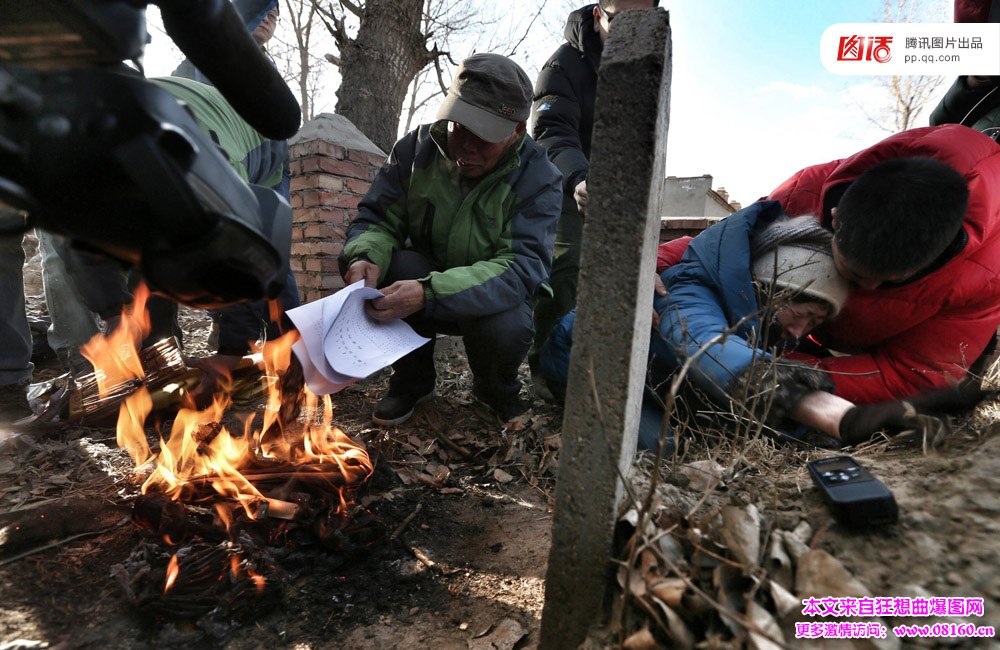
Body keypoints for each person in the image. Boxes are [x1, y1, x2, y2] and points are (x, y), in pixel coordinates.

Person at [658, 125, 1000, 404]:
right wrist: (647, 264)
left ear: (935, 260)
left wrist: (799, 376)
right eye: (854, 274)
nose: (865, 292)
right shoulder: (807, 190)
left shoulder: (986, 276)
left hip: (861, 364)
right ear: (834, 218)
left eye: (889, 282)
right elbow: (727, 246)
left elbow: (913, 375)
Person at [338, 53, 561, 426]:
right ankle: (412, 382)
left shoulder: (540, 178)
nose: (465, 147)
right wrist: (364, 256)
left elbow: (521, 268)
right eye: (459, 127)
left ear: (517, 131)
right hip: (421, 285)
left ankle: (494, 390)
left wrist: (430, 291)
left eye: (483, 136)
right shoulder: (414, 149)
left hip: (488, 300)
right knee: (396, 265)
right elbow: (376, 219)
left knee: (507, 325)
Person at [527, 0, 658, 396]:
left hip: (621, 190)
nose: (631, 32)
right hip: (565, 182)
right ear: (600, 14)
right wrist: (580, 179)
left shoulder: (648, 65)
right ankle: (544, 366)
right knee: (569, 265)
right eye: (621, 20)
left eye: (641, 22)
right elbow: (550, 130)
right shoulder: (562, 65)